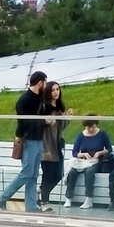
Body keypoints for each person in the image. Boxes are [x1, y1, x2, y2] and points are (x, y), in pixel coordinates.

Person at [0, 71, 49, 212]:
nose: (45, 85)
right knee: (27, 172)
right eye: (45, 82)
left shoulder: (39, 99)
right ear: (40, 82)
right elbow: (24, 121)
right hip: (29, 140)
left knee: (33, 174)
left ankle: (31, 206)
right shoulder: (24, 100)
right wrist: (44, 121)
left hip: (38, 139)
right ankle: (3, 196)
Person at [63, 116, 114, 208]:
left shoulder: (102, 134)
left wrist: (99, 153)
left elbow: (109, 149)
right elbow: (74, 152)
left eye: (90, 126)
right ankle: (69, 198)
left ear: (95, 125)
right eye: (86, 127)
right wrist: (83, 154)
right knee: (72, 172)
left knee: (89, 171)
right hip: (82, 161)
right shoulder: (81, 136)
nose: (88, 129)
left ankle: (88, 199)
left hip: (96, 161)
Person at [39, 80, 69, 209]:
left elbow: (60, 127)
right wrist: (46, 121)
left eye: (57, 89)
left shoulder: (58, 108)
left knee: (58, 174)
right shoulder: (44, 108)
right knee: (48, 173)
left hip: (56, 145)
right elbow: (40, 125)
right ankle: (44, 201)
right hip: (46, 145)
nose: (56, 92)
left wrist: (67, 118)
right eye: (53, 90)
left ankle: (41, 192)